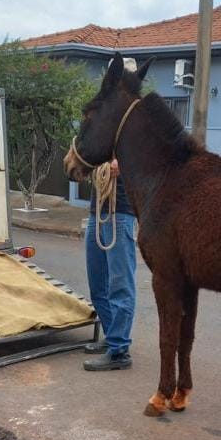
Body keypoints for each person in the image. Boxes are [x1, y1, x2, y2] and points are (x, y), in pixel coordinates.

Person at [83, 158, 137, 371]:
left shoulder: (135, 128)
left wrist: (124, 162)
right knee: (98, 284)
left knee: (120, 285)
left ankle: (119, 350)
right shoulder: (103, 132)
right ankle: (111, 334)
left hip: (121, 211)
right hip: (96, 212)